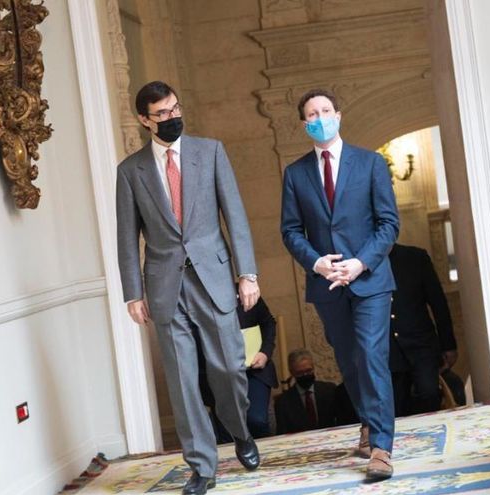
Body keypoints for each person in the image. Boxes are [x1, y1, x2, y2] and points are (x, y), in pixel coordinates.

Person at [116, 81, 261, 495]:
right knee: (182, 381)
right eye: (162, 114)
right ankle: (202, 466)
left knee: (229, 368)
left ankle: (240, 432)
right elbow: (127, 236)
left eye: (175, 108)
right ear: (144, 120)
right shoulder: (130, 171)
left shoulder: (210, 152)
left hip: (213, 278)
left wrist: (247, 273)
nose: (172, 117)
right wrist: (132, 293)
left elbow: (235, 215)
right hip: (164, 285)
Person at [280, 88, 399, 481]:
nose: (320, 117)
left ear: (339, 115)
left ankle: (381, 446)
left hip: (370, 280)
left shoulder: (370, 163)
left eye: (326, 110)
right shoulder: (295, 174)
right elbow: (291, 231)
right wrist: (317, 263)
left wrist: (359, 262)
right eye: (312, 114)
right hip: (326, 284)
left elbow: (388, 224)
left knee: (370, 354)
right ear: (304, 124)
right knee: (348, 359)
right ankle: (368, 420)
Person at [388, 243, 458, 417]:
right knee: (397, 407)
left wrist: (448, 344)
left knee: (429, 396)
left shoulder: (415, 257)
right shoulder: (364, 263)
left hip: (422, 345)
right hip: (389, 350)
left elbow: (438, 302)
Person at [199, 292, 278, 442]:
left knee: (257, 420)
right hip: (218, 376)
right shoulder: (198, 299)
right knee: (226, 430)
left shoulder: (246, 292)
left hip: (254, 371)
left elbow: (268, 322)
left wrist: (265, 353)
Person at [274, 349, 338, 434]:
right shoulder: (283, 402)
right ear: (292, 372)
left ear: (313, 368)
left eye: (308, 371)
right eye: (300, 373)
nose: (305, 375)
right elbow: (282, 433)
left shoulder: (330, 390)